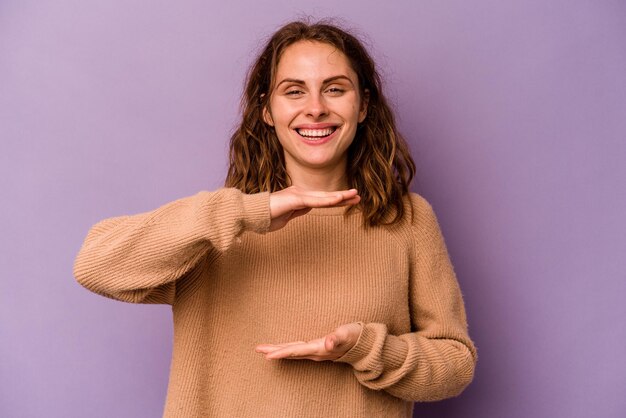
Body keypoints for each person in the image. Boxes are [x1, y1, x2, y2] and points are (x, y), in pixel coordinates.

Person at [74, 20, 477, 417]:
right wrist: (250, 211)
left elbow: (455, 364)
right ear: (267, 110)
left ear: (364, 106)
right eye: (294, 91)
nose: (316, 108)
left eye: (335, 89)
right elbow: (95, 264)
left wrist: (367, 349)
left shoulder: (407, 219)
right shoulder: (221, 227)